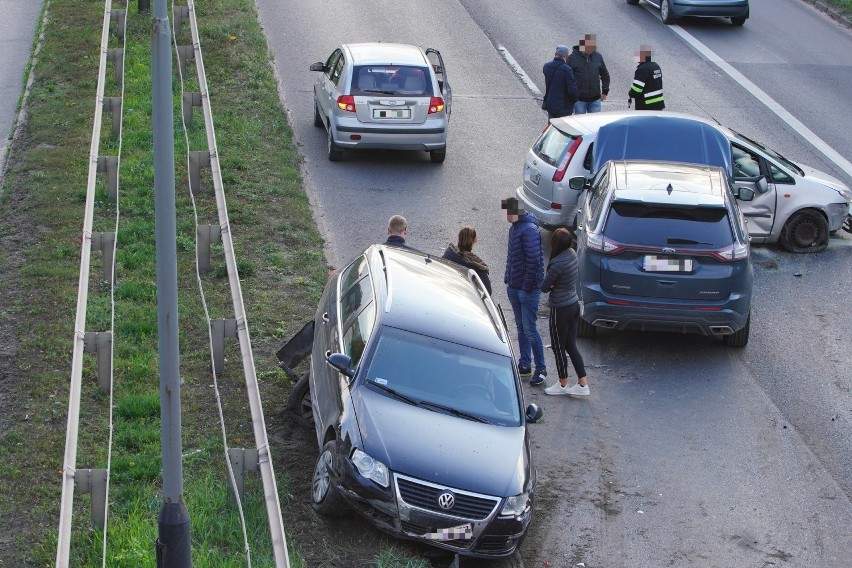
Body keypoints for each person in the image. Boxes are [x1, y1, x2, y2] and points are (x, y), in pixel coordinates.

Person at [502, 197, 546, 384]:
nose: (506, 216)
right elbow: (512, 256)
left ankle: (541, 369)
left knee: (529, 329)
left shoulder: (528, 230)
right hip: (515, 286)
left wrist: (525, 287)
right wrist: (508, 277)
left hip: (526, 290)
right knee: (521, 328)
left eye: (509, 212)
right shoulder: (515, 228)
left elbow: (534, 262)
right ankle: (525, 364)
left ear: (517, 212)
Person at [539, 228, 589, 395]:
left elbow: (544, 287)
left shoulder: (557, 264)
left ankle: (562, 384)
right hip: (573, 304)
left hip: (560, 308)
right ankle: (583, 384)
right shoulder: (572, 254)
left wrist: (552, 284)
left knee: (558, 346)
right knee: (570, 345)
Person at [567, 33, 610, 114]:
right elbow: (566, 78)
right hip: (579, 100)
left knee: (594, 124)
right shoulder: (572, 58)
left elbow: (605, 74)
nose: (590, 49)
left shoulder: (598, 56)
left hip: (595, 100)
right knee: (580, 124)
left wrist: (605, 91)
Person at [442, 226, 492, 294]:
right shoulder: (478, 266)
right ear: (474, 240)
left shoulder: (448, 255)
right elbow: (487, 292)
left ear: (459, 238)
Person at [542, 45, 579, 119]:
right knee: (563, 128)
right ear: (566, 56)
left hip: (551, 103)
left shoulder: (546, 66)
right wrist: (575, 99)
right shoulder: (567, 69)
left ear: (555, 54)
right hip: (564, 106)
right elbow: (572, 90)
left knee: (552, 126)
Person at [628, 45, 665, 111]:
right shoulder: (656, 66)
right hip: (658, 104)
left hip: (646, 105)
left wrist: (631, 93)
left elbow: (636, 89)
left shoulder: (642, 69)